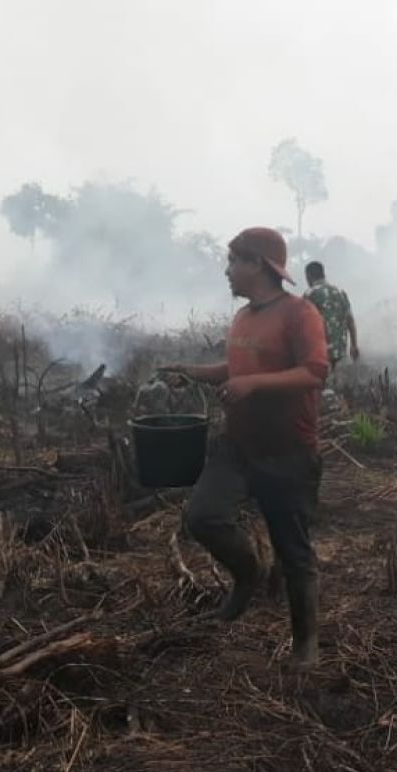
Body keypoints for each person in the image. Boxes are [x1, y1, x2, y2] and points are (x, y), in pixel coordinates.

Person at [161, 227, 329, 670]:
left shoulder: (300, 313)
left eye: (234, 260)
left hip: (288, 451)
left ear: (259, 265)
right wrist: (191, 371)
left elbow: (314, 372)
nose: (227, 270)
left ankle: (305, 644)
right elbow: (233, 368)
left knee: (294, 552)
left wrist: (252, 385)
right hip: (238, 447)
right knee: (202, 516)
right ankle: (249, 572)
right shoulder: (244, 318)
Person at [303, 261, 359, 372]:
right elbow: (350, 321)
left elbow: (301, 325)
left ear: (309, 276)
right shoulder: (340, 292)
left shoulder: (310, 294)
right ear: (323, 274)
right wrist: (354, 345)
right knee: (338, 385)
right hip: (340, 352)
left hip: (319, 353)